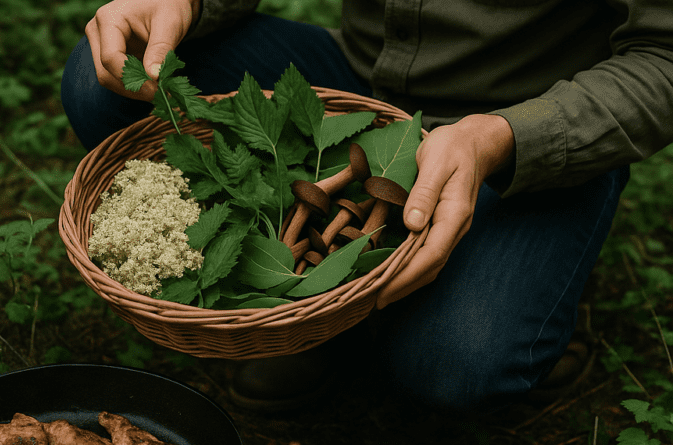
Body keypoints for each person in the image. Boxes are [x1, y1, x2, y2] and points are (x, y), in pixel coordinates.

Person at [61, 0, 673, 416]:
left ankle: (524, 300)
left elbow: (663, 56)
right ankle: (314, 312)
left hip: (524, 122)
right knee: (108, 77)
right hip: (359, 82)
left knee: (453, 364)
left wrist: (507, 138)